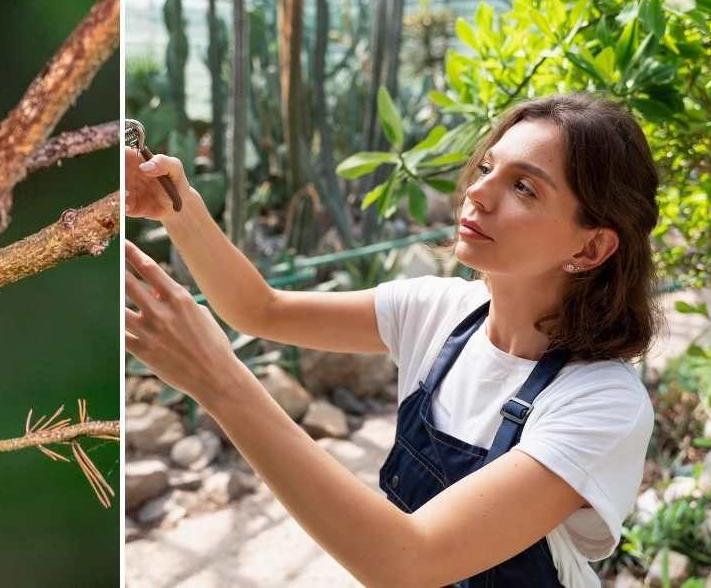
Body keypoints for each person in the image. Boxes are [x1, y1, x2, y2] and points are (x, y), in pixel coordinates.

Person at [123, 93, 662, 587]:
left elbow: (410, 560)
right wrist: (178, 207)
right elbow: (259, 309)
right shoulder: (437, 312)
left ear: (591, 249)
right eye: (488, 167)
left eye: (523, 186)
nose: (476, 191)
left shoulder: (603, 403)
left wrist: (221, 383)